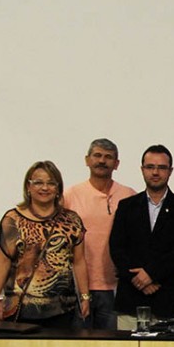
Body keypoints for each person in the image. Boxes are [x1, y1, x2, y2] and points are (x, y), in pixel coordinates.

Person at [0, 161, 90, 328]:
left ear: (58, 189)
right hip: (19, 309)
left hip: (62, 309)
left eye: (51, 183)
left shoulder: (72, 220)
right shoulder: (12, 219)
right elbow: (2, 262)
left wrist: (85, 297)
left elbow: (79, 261)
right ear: (28, 187)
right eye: (38, 182)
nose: (44, 188)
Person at [109, 145, 174, 328]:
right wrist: (140, 281)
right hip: (131, 301)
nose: (155, 172)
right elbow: (117, 248)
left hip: (168, 301)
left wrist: (151, 274)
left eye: (161, 167)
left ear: (170, 171)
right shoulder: (126, 206)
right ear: (142, 170)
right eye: (150, 167)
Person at [63, 138, 137, 330]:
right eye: (97, 156)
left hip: (115, 287)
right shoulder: (70, 195)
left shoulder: (129, 195)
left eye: (108, 157)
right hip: (77, 287)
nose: (102, 161)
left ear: (117, 164)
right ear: (87, 160)